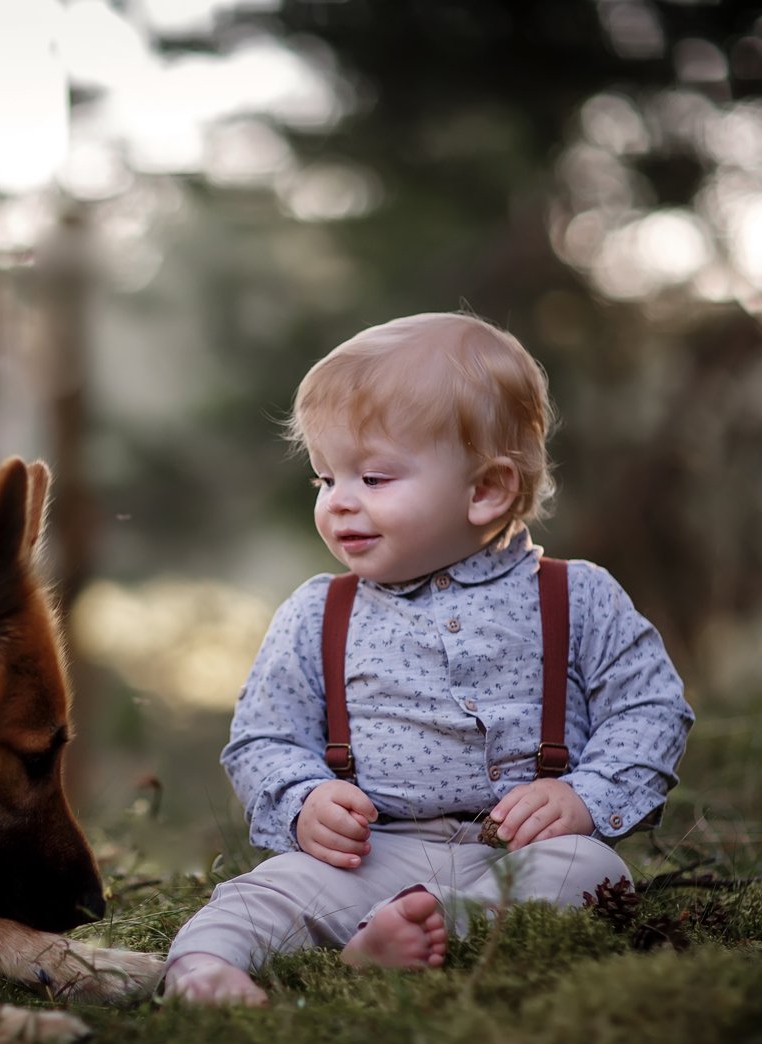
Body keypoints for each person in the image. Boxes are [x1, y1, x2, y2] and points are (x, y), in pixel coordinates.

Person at [164, 312, 694, 1005]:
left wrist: (584, 796)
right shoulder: (320, 612)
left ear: (486, 490)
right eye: (325, 479)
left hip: (522, 856)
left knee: (591, 874)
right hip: (370, 852)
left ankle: (428, 933)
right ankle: (205, 970)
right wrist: (305, 800)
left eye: (374, 478)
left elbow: (651, 709)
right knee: (268, 891)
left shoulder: (577, 596)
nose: (339, 504)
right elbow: (264, 735)